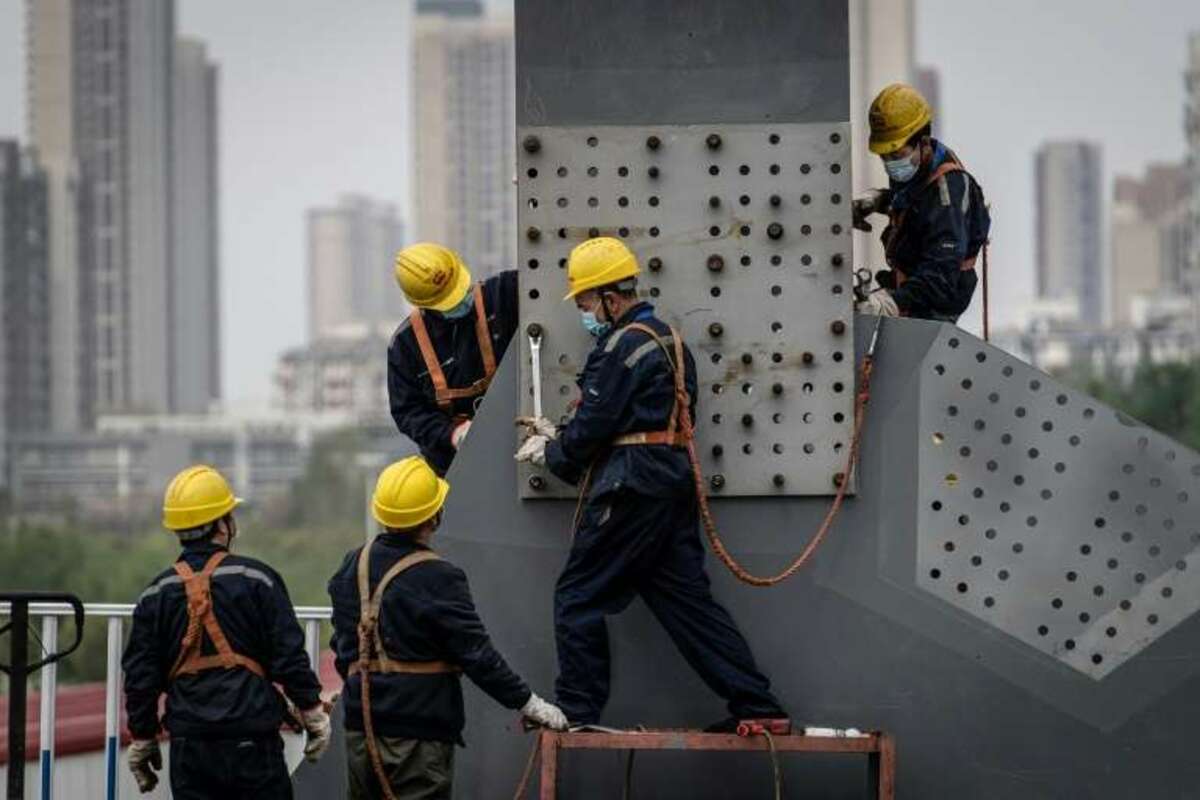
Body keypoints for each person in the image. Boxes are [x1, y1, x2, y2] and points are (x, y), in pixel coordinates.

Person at [514, 237, 788, 731]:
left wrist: (554, 449)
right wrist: (573, 436)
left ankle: (576, 710)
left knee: (578, 595)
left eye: (584, 303)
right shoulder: (672, 342)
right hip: (669, 479)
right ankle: (759, 706)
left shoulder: (619, 346)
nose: (584, 313)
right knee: (686, 604)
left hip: (632, 485)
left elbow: (594, 426)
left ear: (608, 298)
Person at [327, 455, 567, 800]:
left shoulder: (354, 564)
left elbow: (343, 646)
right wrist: (530, 704)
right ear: (434, 516)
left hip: (361, 730)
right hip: (417, 735)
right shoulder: (438, 576)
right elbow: (477, 655)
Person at [122, 465, 330, 798]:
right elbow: (288, 656)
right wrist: (312, 712)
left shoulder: (156, 594)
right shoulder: (258, 579)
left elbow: (140, 676)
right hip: (252, 742)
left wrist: (143, 736)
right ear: (223, 524)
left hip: (191, 746)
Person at [853, 82, 991, 324]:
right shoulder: (921, 168)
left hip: (932, 305)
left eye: (896, 156)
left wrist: (891, 303)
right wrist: (879, 201)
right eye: (884, 156)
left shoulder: (948, 192)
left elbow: (941, 274)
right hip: (910, 287)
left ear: (922, 141)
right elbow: (920, 212)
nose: (889, 163)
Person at [388, 243, 518, 475]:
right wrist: (450, 434)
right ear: (425, 304)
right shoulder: (406, 345)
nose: (463, 299)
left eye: (462, 289)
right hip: (455, 467)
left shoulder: (503, 295)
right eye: (451, 299)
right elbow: (408, 412)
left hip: (518, 445)